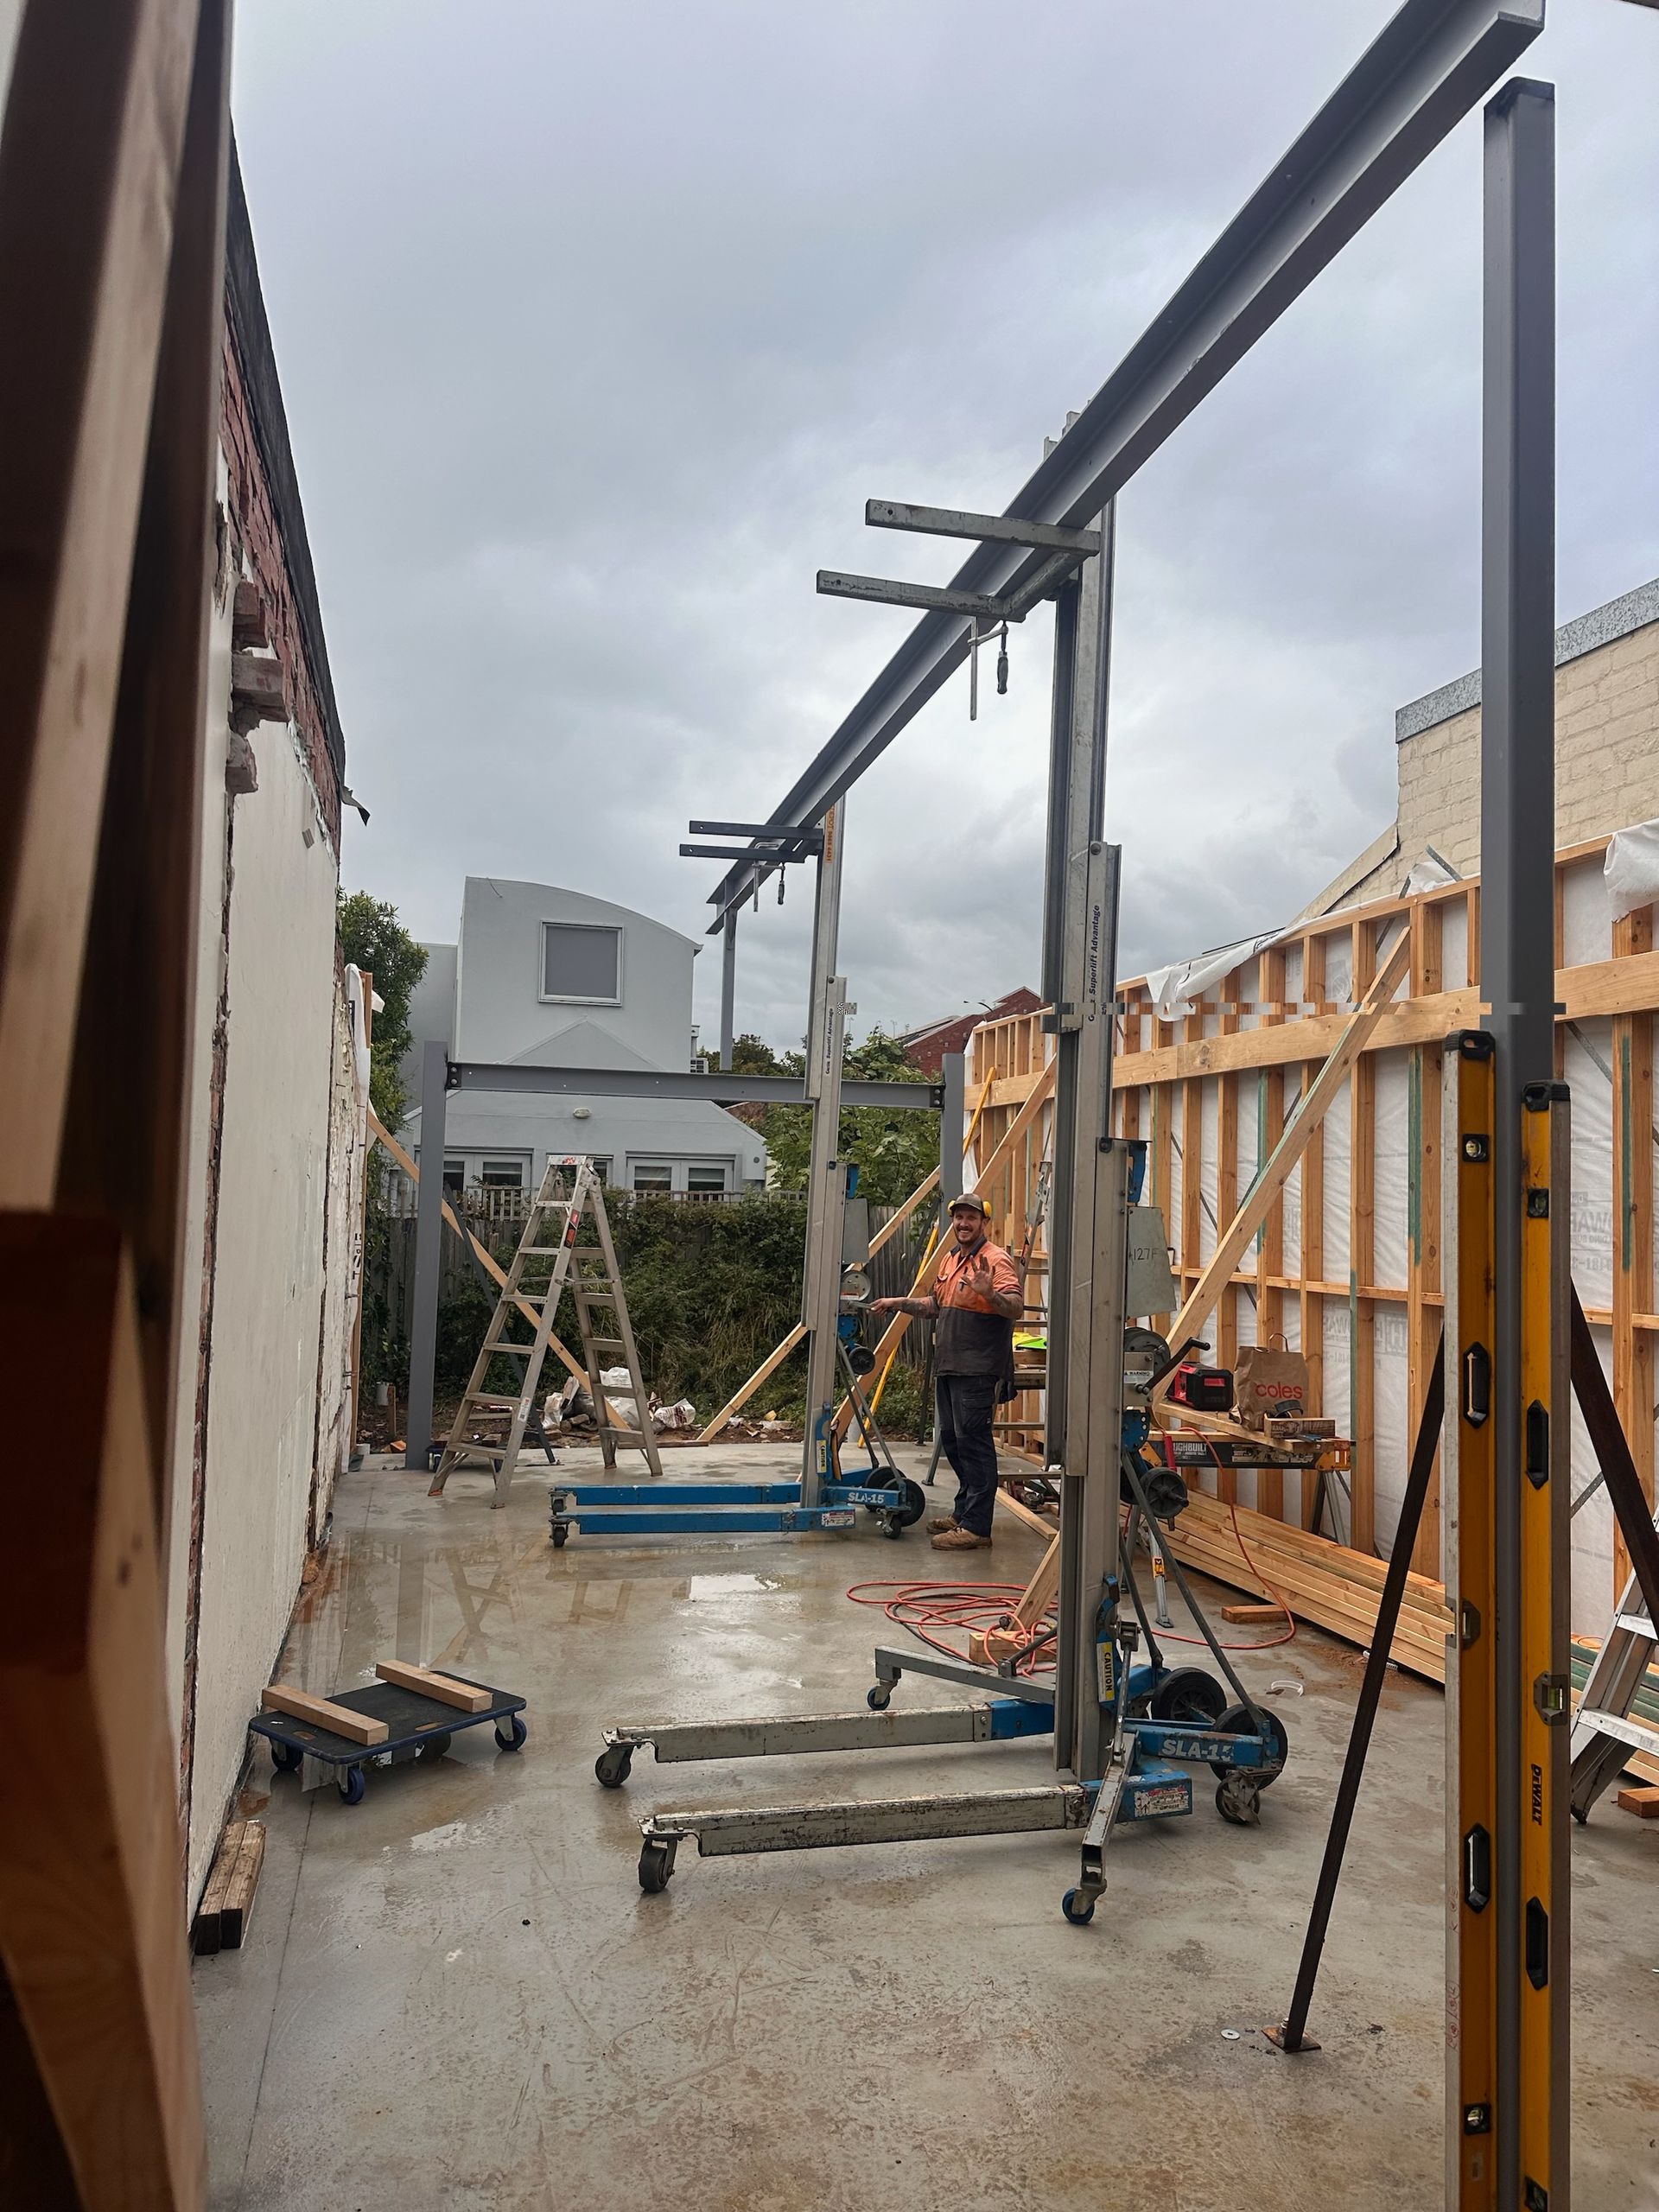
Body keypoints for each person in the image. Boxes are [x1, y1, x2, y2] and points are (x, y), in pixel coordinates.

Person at [870, 1192, 1022, 1551]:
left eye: (971, 1218)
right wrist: (897, 1303)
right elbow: (935, 1305)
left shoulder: (994, 1260)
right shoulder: (952, 1259)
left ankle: (977, 1528)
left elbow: (1015, 1307)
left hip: (978, 1369)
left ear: (984, 1223)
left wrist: (990, 1294)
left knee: (975, 1445)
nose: (963, 1224)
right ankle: (964, 1513)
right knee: (953, 1441)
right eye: (959, 1217)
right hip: (951, 1366)